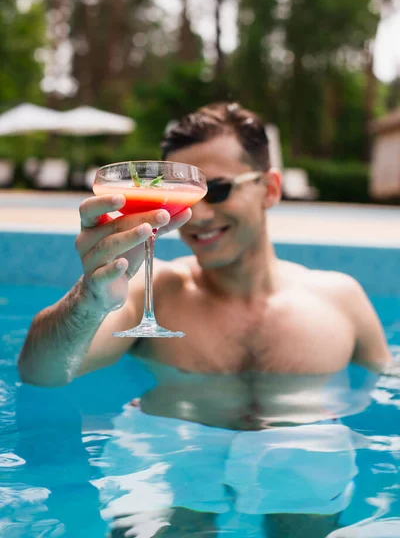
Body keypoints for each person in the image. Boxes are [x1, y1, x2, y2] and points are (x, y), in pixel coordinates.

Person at [18, 102, 392, 538]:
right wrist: (90, 296)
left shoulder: (340, 299)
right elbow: (41, 373)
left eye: (216, 190)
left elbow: (384, 398)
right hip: (167, 453)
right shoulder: (150, 292)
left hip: (301, 454)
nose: (199, 217)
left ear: (271, 188)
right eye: (185, 198)